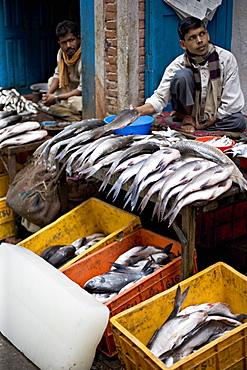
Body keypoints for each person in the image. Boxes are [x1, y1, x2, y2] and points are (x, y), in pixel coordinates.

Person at [134, 16, 246, 133]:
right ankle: (187, 116)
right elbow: (160, 98)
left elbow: (231, 102)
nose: (199, 40)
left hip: (213, 114)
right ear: (183, 44)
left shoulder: (226, 59)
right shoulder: (178, 64)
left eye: (202, 34)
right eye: (192, 37)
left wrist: (203, 124)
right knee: (182, 76)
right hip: (187, 109)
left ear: (207, 35)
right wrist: (138, 111)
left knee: (238, 121)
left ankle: (193, 124)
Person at [42, 20, 82, 115]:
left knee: (74, 102)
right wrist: (49, 94)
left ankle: (64, 103)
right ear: (59, 43)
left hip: (82, 94)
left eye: (71, 40)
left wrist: (56, 98)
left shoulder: (84, 58)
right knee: (51, 81)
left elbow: (81, 90)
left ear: (78, 39)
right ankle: (63, 102)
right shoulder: (62, 54)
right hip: (71, 89)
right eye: (64, 42)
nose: (68, 46)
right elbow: (57, 74)